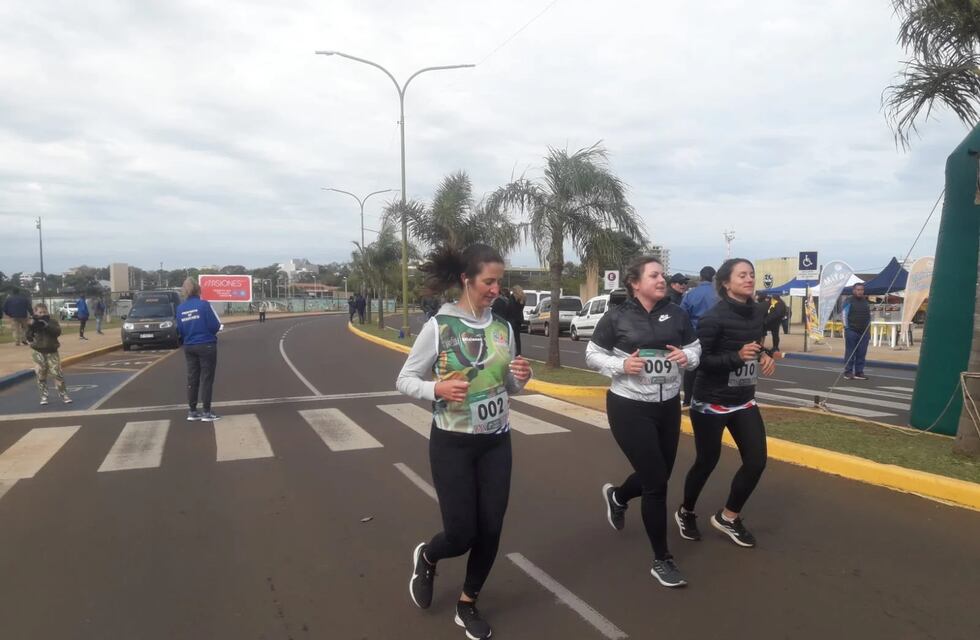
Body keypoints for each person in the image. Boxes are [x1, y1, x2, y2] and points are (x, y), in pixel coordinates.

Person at [397, 243, 532, 640]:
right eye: (489, 282)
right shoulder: (439, 327)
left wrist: (520, 378)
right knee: (461, 533)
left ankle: (467, 602)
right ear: (466, 279)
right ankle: (429, 555)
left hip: (496, 440)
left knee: (491, 527)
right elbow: (404, 379)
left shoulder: (503, 327)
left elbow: (510, 386)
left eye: (499, 282)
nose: (495, 289)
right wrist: (436, 388)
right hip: (452, 442)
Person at [587, 256, 701, 588]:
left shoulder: (677, 313)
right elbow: (592, 354)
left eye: (662, 274)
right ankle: (662, 559)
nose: (662, 279)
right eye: (654, 275)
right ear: (636, 283)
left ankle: (619, 497)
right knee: (657, 483)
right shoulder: (617, 316)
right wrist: (622, 367)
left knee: (660, 474)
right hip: (629, 407)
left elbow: (695, 349)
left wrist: (687, 357)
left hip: (667, 407)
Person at [678, 258, 776, 549]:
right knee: (707, 461)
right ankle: (685, 511)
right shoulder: (712, 318)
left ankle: (728, 517)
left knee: (757, 461)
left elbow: (754, 346)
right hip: (711, 402)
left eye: (752, 275)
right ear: (725, 282)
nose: (749, 279)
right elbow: (699, 362)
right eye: (742, 275)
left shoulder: (757, 312)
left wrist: (764, 355)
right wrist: (736, 357)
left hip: (744, 400)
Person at [176, 277, 222, 422]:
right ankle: (207, 412)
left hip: (189, 345)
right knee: (206, 379)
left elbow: (180, 330)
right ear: (198, 290)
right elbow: (215, 325)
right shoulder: (204, 305)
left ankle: (192, 411)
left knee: (192, 378)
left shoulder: (180, 308)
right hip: (206, 344)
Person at [679, 266, 719, 406]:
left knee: (692, 369)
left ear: (701, 277)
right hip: (716, 337)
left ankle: (688, 399)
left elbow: (682, 316)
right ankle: (709, 398)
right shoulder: (719, 295)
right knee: (714, 368)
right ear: (713, 277)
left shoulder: (690, 295)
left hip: (695, 337)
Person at [25, 303, 72, 405]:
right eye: (40, 312)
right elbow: (28, 336)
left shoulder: (52, 322)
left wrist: (46, 325)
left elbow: (57, 332)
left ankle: (63, 394)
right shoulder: (33, 322)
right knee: (41, 374)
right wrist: (32, 326)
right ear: (35, 313)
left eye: (44, 312)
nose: (42, 314)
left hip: (52, 351)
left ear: (47, 311)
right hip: (38, 352)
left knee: (57, 373)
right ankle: (44, 395)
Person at [842, 283, 871, 380]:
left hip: (864, 332)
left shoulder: (865, 302)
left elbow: (868, 316)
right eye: (858, 289)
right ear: (853, 290)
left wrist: (868, 330)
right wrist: (847, 328)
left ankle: (859, 372)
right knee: (850, 352)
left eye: (862, 290)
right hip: (852, 331)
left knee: (862, 353)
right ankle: (848, 372)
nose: (860, 291)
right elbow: (844, 315)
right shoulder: (848, 301)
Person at [507, 286, 526, 356]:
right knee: (517, 337)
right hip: (519, 319)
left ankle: (510, 350)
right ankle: (519, 352)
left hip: (512, 319)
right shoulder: (523, 298)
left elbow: (510, 307)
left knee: (510, 336)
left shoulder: (512, 298)